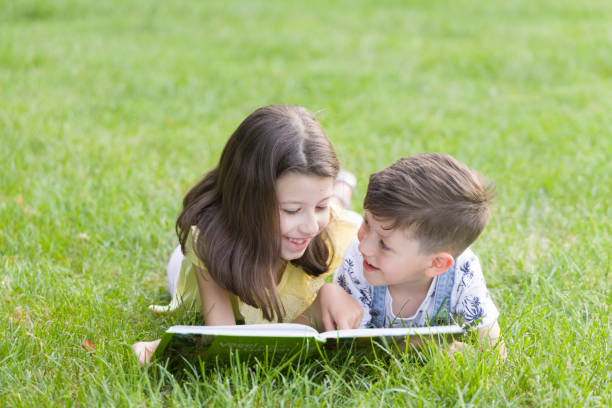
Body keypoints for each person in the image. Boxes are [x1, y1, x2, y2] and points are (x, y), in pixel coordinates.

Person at [132, 105, 362, 364]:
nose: (310, 225)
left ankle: (338, 193)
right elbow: (225, 340)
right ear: (249, 201)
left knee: (338, 213)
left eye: (320, 205)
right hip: (211, 259)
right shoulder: (211, 243)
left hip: (300, 233)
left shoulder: (330, 229)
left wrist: (327, 299)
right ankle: (337, 192)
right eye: (291, 210)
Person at [333, 153, 505, 354]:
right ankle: (339, 193)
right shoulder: (358, 258)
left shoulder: (463, 271)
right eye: (367, 222)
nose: (365, 247)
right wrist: (422, 344)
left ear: (437, 264)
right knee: (334, 220)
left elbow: (493, 347)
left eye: (385, 245)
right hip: (342, 232)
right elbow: (356, 348)